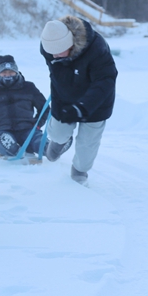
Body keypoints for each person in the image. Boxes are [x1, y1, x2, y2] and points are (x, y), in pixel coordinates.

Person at [39, 16, 117, 185]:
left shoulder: (96, 48)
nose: (54, 55)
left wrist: (83, 107)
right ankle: (61, 141)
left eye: (59, 51)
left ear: (71, 43)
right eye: (51, 52)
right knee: (58, 132)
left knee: (87, 143)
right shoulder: (49, 48)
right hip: (64, 96)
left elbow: (106, 80)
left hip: (96, 102)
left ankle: (79, 173)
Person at [0, 55, 48, 158]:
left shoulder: (28, 87)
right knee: (4, 141)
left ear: (16, 72)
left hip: (27, 129)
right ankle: (15, 151)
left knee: (38, 140)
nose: (8, 75)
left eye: (11, 72)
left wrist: (37, 124)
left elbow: (45, 108)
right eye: (4, 72)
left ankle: (50, 149)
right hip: (0, 132)